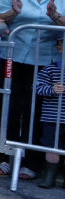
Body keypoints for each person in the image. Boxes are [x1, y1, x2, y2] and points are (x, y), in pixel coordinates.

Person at [0, 0, 65, 179]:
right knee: (8, 107)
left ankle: (31, 162)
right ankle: (4, 157)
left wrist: (56, 19)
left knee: (38, 111)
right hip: (12, 57)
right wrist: (13, 13)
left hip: (46, 62)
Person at [34, 39, 65, 189]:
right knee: (51, 147)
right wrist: (52, 90)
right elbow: (38, 88)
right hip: (53, 117)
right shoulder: (51, 69)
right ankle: (49, 176)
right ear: (59, 49)